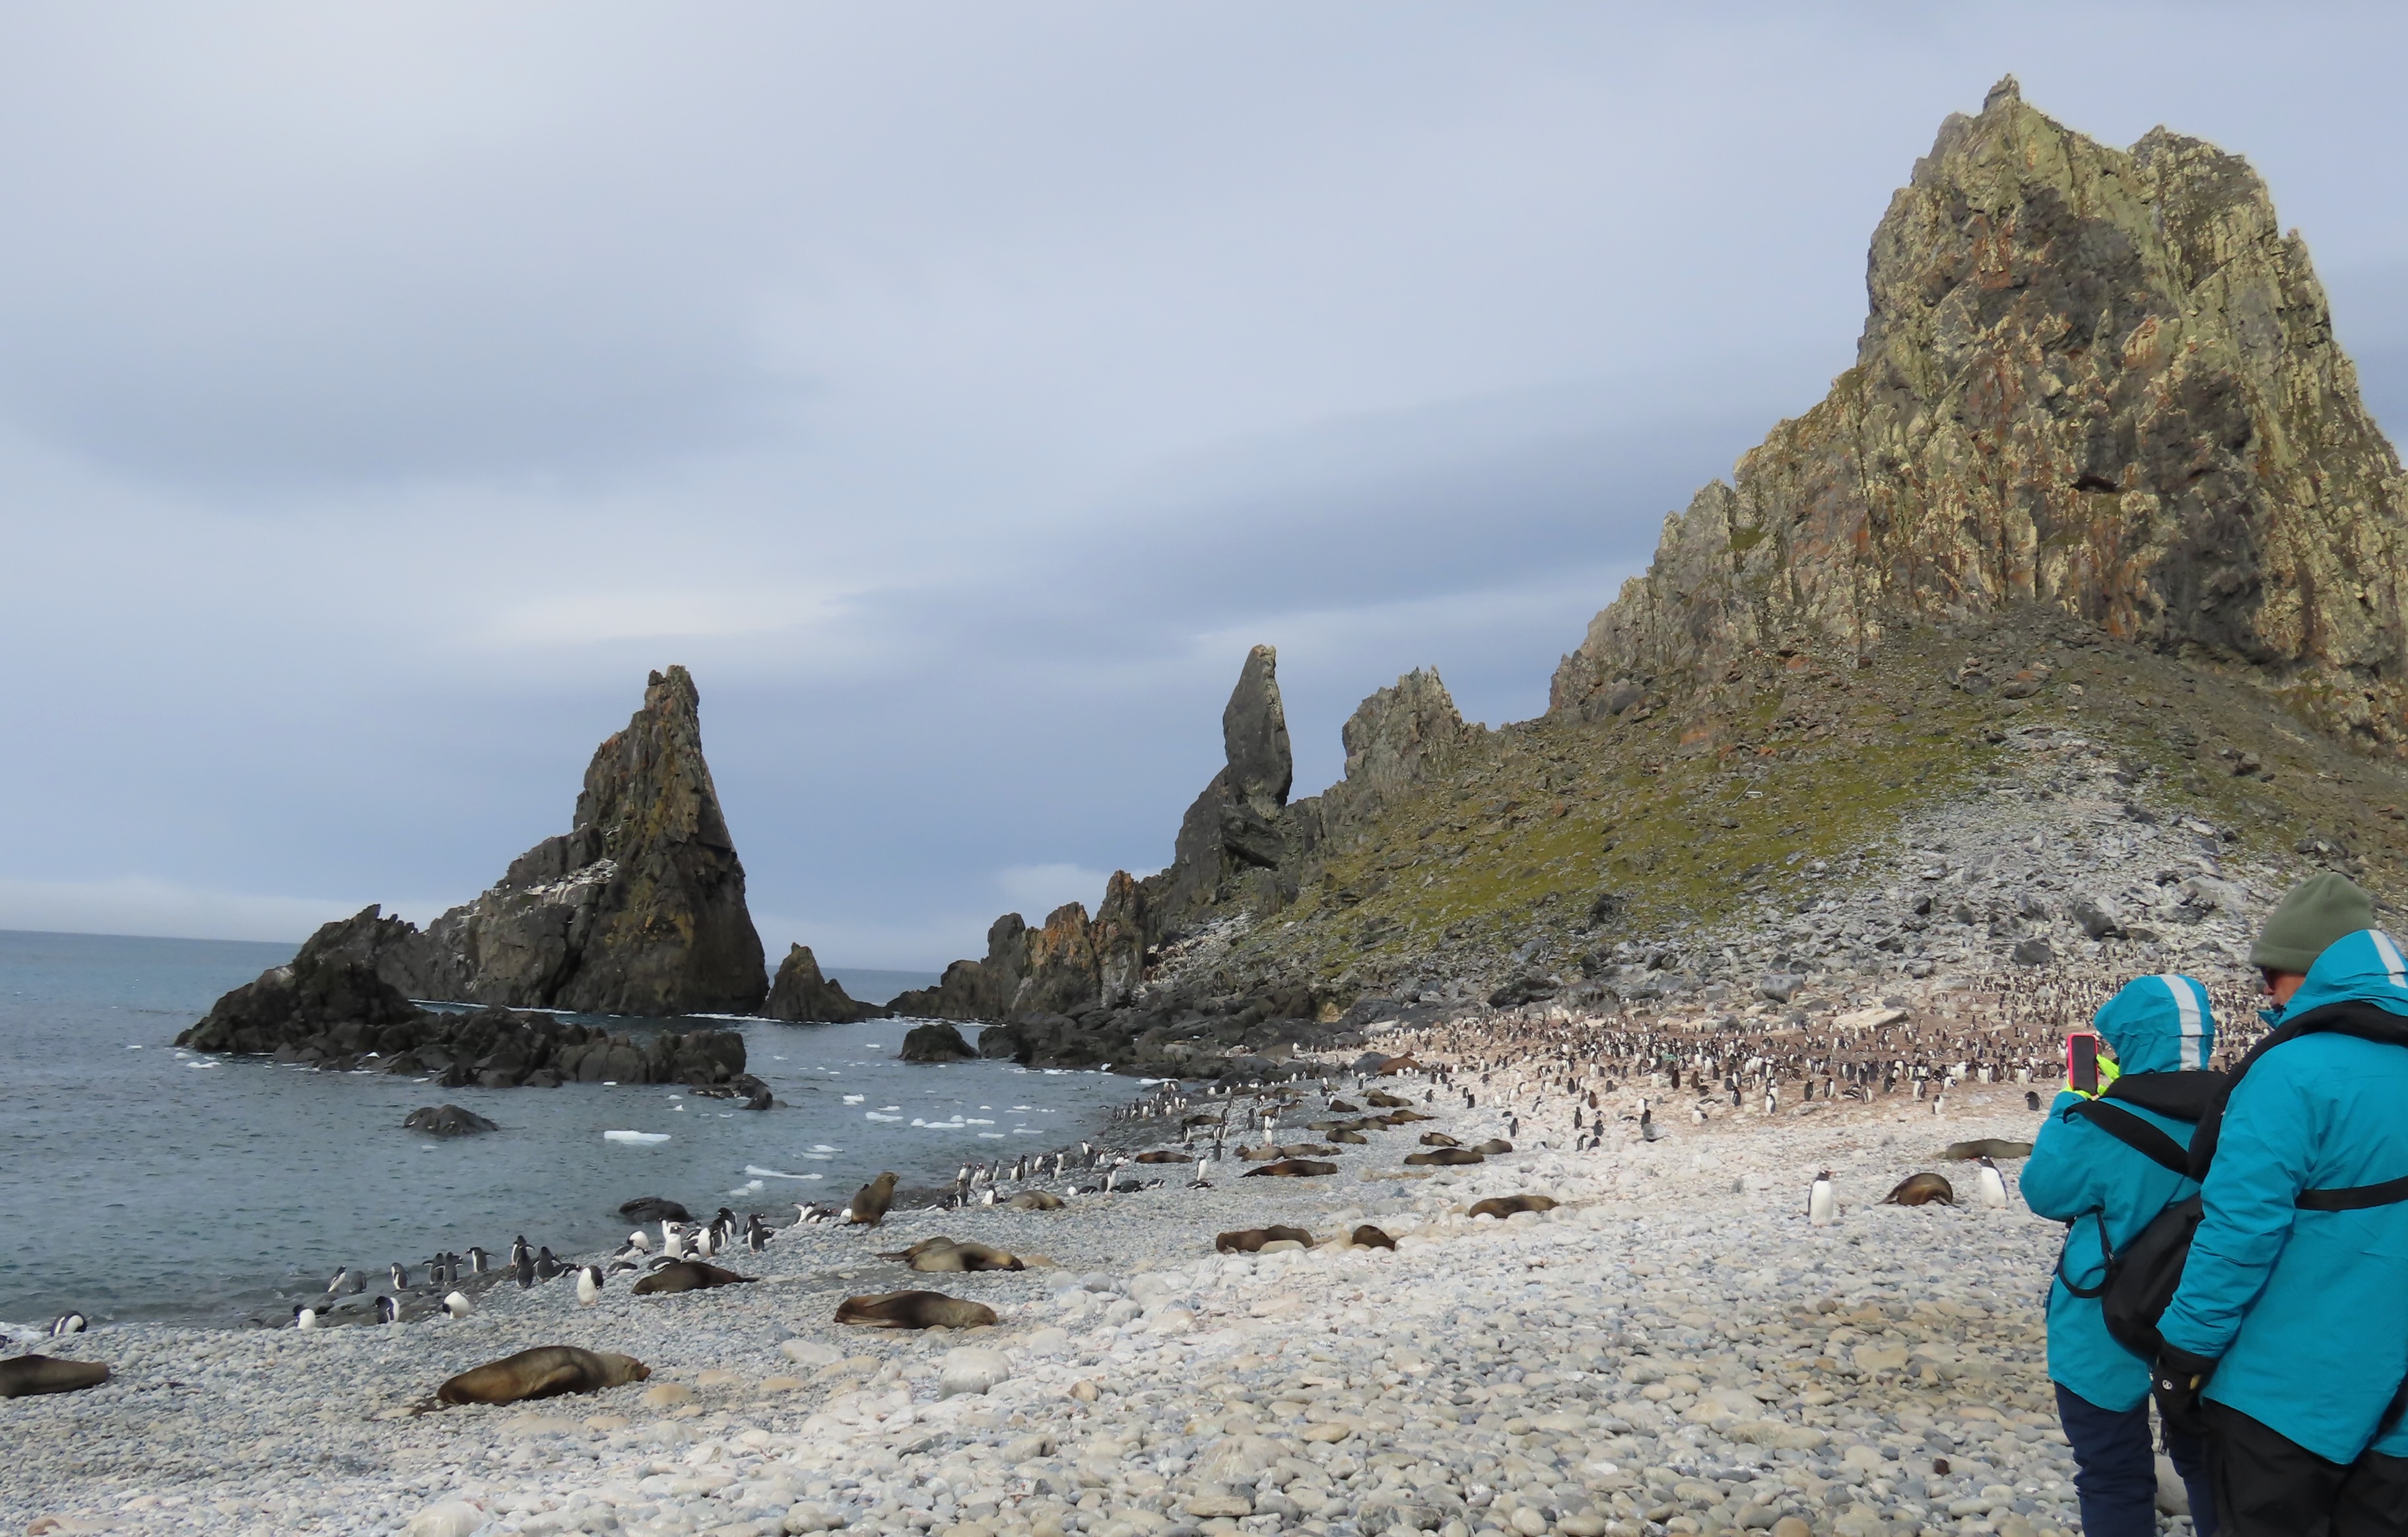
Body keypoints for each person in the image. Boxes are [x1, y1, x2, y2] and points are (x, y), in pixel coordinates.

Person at [2156, 873, 2408, 1534]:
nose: (2265, 991)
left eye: (2271, 974)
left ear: (2310, 973)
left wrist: (2182, 1357)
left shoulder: (2292, 1071)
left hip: (2287, 1402)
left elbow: (2241, 1232)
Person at [2023, 973, 2220, 1536]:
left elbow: (2045, 1190)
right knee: (2210, 1466)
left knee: (2112, 1475)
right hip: (2207, 1316)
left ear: (2131, 1042)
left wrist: (2070, 1104)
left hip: (2104, 1318)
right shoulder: (2244, 1115)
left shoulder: (2099, 1121)